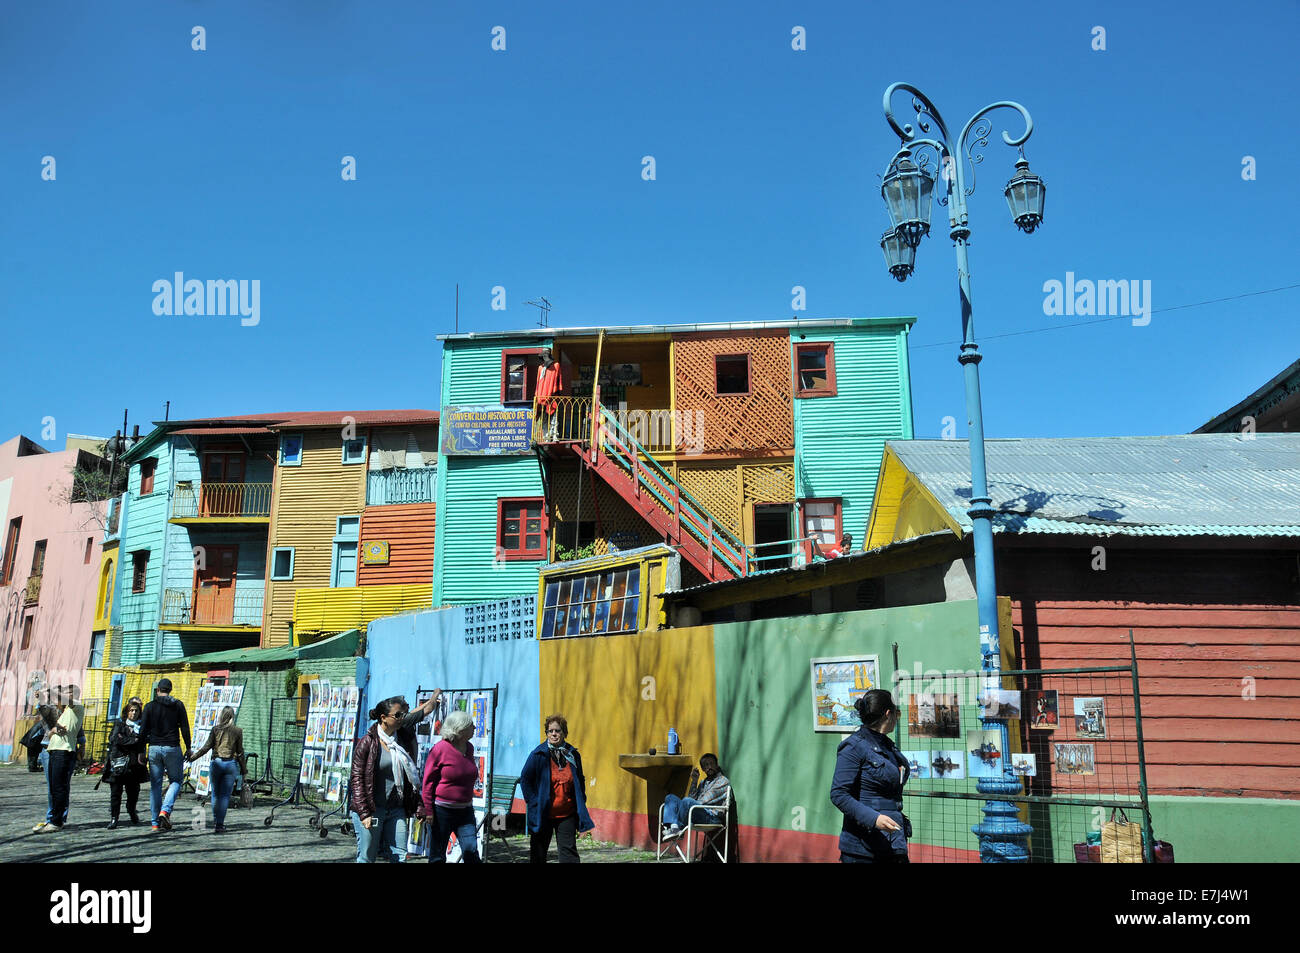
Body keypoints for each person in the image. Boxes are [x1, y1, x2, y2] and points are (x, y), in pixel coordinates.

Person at [829, 689, 912, 863]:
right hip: (863, 848)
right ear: (888, 714)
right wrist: (874, 819)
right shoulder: (853, 747)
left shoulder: (887, 746)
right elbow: (839, 794)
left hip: (892, 842)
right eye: (897, 713)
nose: (897, 719)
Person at [348, 696, 423, 863]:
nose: (402, 718)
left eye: (403, 714)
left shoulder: (402, 741)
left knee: (400, 855)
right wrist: (364, 813)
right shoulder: (367, 742)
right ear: (383, 718)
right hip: (372, 809)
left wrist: (418, 805)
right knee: (367, 857)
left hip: (396, 808)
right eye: (398, 715)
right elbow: (357, 779)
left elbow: (410, 779)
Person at [520, 714, 594, 863]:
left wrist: (581, 799)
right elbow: (525, 780)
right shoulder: (538, 755)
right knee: (538, 855)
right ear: (546, 733)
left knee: (569, 856)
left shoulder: (572, 754)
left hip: (567, 814)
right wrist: (534, 802)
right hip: (543, 813)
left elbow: (580, 779)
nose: (553, 734)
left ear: (564, 733)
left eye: (557, 730)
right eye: (550, 731)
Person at [420, 709, 481, 863]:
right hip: (442, 812)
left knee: (471, 851)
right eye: (471, 725)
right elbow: (428, 782)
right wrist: (428, 810)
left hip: (465, 810)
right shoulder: (440, 749)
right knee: (437, 856)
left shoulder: (469, 748)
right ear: (460, 729)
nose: (474, 728)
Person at [139, 678, 192, 832]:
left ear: (157, 690)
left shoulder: (149, 707)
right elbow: (185, 727)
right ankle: (165, 810)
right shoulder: (178, 705)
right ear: (170, 690)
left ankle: (155, 823)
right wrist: (188, 747)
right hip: (172, 747)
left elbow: (143, 731)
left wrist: (141, 751)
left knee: (155, 785)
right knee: (176, 781)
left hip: (154, 748)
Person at [34, 686, 84, 833]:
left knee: (59, 787)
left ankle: (56, 821)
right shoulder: (64, 712)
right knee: (54, 787)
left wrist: (50, 691)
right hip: (54, 749)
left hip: (65, 750)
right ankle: (54, 819)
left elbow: (65, 699)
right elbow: (49, 729)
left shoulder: (77, 707)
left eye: (68, 693)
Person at [189, 705, 245, 833]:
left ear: (221, 716)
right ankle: (220, 824)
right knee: (225, 796)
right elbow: (240, 752)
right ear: (232, 716)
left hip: (216, 763)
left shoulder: (215, 730)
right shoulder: (237, 731)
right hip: (230, 764)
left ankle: (215, 821)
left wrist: (193, 757)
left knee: (215, 794)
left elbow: (206, 747)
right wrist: (244, 770)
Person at [661, 753, 731, 840]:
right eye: (706, 765)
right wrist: (694, 781)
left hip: (712, 818)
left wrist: (684, 806)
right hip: (697, 814)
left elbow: (704, 800)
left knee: (687, 801)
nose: (709, 767)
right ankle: (673, 827)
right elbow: (693, 799)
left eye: (712, 764)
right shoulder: (703, 783)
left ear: (717, 765)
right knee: (670, 797)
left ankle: (676, 828)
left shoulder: (723, 781)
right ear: (703, 769)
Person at [103, 696, 147, 829]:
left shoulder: (142, 726)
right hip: (119, 764)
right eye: (131, 710)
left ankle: (131, 810)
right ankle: (114, 818)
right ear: (127, 712)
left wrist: (131, 740)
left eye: (136, 711)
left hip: (134, 765)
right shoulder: (120, 724)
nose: (134, 713)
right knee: (116, 793)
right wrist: (134, 741)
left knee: (133, 792)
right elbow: (116, 739)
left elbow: (145, 739)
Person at [534, 349, 564, 441]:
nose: (545, 357)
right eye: (544, 356)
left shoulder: (556, 365)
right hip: (541, 397)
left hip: (552, 396)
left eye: (546, 355)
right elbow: (538, 383)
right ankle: (546, 436)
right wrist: (538, 395)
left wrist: (555, 391)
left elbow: (557, 379)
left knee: (554, 417)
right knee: (544, 418)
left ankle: (555, 435)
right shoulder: (540, 368)